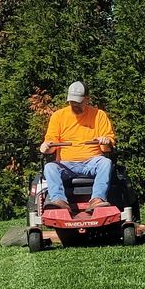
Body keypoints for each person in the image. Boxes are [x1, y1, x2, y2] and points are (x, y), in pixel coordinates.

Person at [39, 81, 115, 211]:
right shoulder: (58, 116)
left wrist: (106, 142)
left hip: (92, 162)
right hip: (65, 164)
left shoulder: (99, 115)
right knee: (50, 167)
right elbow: (51, 145)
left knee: (106, 163)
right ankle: (59, 201)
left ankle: (97, 199)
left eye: (78, 102)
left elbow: (107, 149)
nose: (75, 105)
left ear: (87, 99)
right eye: (72, 102)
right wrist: (46, 147)